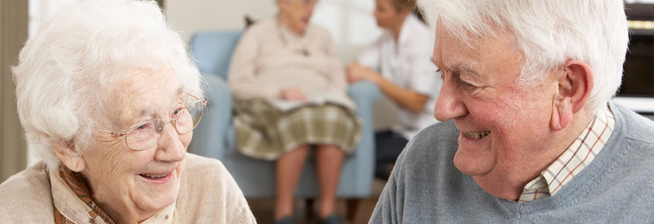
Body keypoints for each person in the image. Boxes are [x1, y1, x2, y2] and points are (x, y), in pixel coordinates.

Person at [370, 0, 654, 223]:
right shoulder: (426, 158)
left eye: (468, 82)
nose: (441, 109)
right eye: (440, 72)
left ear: (568, 89)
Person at [0, 1, 256, 223]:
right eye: (141, 126)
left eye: (177, 111)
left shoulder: (211, 190)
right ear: (69, 146)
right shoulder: (12, 212)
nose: (177, 151)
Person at [227, 0, 361, 223]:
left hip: (319, 102)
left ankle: (328, 210)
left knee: (335, 119)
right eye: (305, 3)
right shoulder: (257, 33)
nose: (310, 10)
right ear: (283, 3)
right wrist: (279, 92)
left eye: (314, 4)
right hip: (273, 101)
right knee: (299, 120)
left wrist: (333, 98)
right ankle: (284, 211)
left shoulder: (323, 36)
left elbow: (338, 81)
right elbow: (237, 83)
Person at [346, 0, 440, 179]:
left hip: (430, 130)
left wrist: (375, 78)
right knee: (354, 145)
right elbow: (355, 69)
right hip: (407, 129)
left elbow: (416, 103)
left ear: (403, 12)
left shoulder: (422, 40)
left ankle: (404, 180)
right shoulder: (387, 39)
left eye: (381, 10)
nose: (374, 14)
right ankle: (402, 178)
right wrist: (359, 72)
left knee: (363, 155)